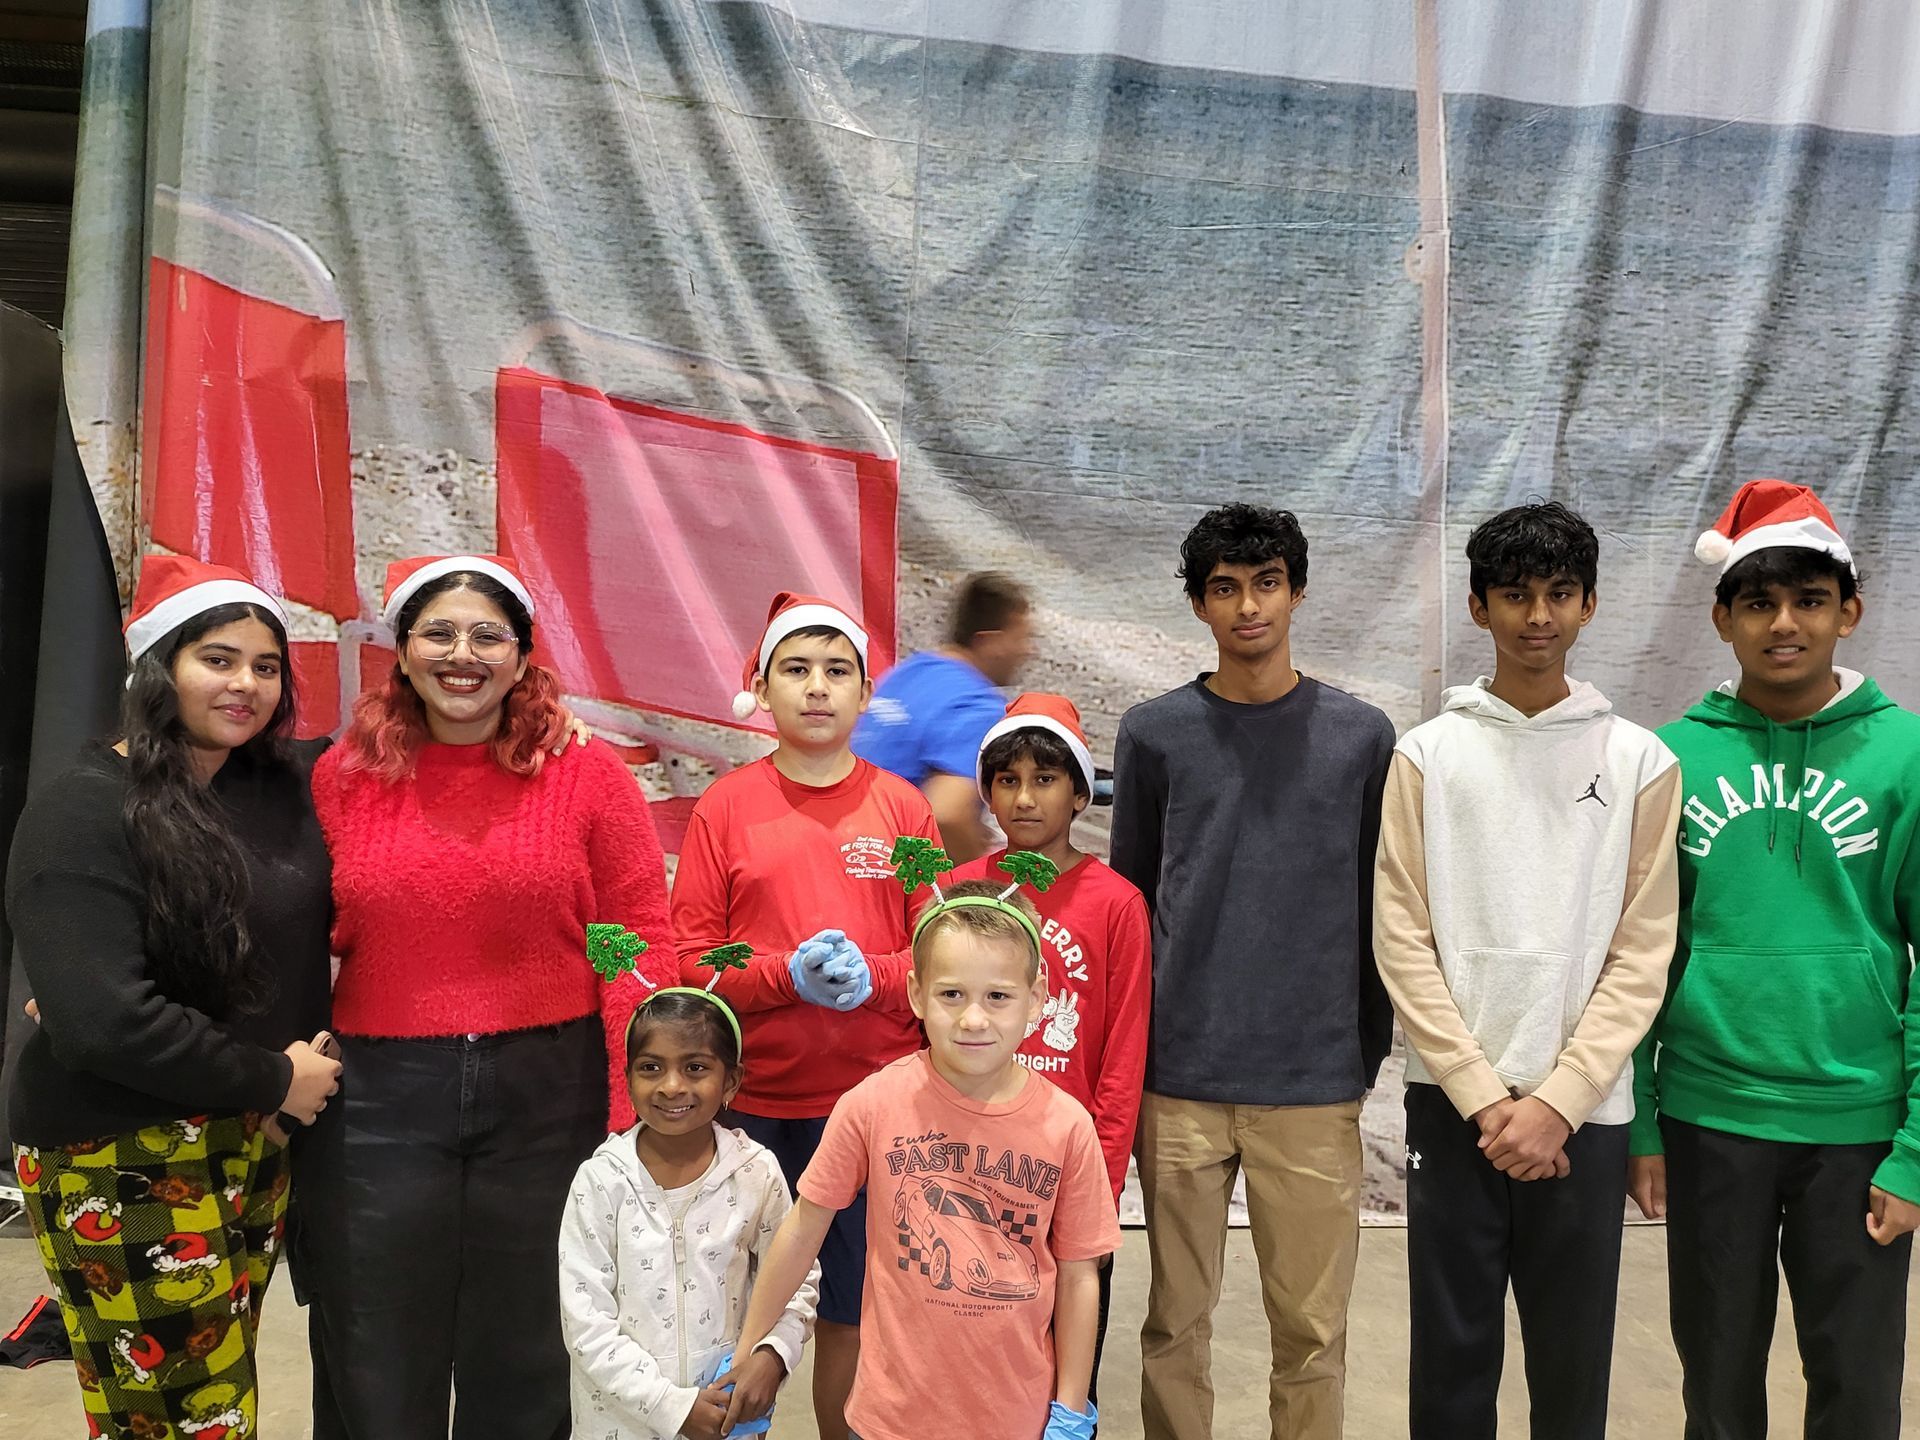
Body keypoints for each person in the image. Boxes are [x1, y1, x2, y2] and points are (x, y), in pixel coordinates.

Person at [304, 554, 670, 1440]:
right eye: (438, 632)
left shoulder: (586, 775)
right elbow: (276, 919)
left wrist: (634, 1104)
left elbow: (638, 942)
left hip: (549, 1094)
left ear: (522, 654)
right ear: (401, 649)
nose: (461, 654)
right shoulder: (341, 778)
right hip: (378, 1103)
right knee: (375, 1351)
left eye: (486, 635)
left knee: (530, 1352)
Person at [7, 556, 342, 1439]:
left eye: (266, 666)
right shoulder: (84, 810)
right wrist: (275, 1079)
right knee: (178, 1420)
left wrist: (546, 718)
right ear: (160, 666)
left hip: (245, 1143)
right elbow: (106, 1022)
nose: (246, 684)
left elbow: (405, 741)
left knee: (207, 1402)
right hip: (117, 1156)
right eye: (218, 659)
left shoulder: (273, 787)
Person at [1373, 501, 1681, 1440]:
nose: (1536, 615)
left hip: (1584, 1116)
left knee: (1573, 1360)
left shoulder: (1640, 761)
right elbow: (1400, 935)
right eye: (1514, 595)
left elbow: (1643, 949)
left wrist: (1561, 1100)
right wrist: (1479, 1091)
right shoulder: (1426, 755)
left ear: (1589, 606)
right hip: (1453, 1102)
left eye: (1558, 594)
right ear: (1479, 608)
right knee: (1452, 1359)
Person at [1628, 480, 1920, 1440]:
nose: (1783, 624)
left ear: (1850, 613)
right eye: (1758, 602)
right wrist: (1641, 1121)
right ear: (1722, 618)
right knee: (1715, 1386)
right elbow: (1638, 955)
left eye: (1808, 600)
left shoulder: (1906, 755)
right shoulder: (1672, 758)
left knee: (1859, 1389)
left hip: (1859, 1126)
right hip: (1712, 1117)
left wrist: (1916, 1150)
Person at [1110, 502, 1395, 1440]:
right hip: (1180, 1078)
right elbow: (1131, 901)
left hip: (1313, 1083)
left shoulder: (1361, 736)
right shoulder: (1156, 735)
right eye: (1224, 588)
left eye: (1265, 583)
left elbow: (1379, 905)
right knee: (1174, 1325)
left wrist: (1358, 1050)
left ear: (1298, 591)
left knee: (1312, 1333)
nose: (1247, 606)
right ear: (1199, 605)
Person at [672, 591, 939, 1438]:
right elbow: (690, 963)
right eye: (797, 670)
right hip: (750, 1112)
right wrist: (785, 974)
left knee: (853, 1310)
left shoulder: (904, 810)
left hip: (874, 1111)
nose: (817, 688)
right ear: (762, 688)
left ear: (866, 694)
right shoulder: (725, 808)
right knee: (737, 1311)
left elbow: (939, 957)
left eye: (836, 671)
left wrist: (879, 977)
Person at [726, 877, 1118, 1440]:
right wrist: (748, 1351)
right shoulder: (872, 1105)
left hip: (1017, 1418)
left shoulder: (1068, 1127)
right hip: (889, 1419)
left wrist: (1071, 1407)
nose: (974, 1019)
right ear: (916, 993)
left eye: (998, 996)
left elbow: (1080, 1276)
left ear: (1037, 998)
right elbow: (801, 1231)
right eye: (951, 994)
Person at [952, 691, 1150, 1409]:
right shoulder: (958, 893)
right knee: (968, 1364)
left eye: (1045, 779)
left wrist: (1098, 1178)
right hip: (967, 1171)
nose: (1026, 798)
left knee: (1065, 1372)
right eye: (1008, 780)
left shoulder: (1116, 903)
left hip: (1067, 1174)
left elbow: (1123, 1056)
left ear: (1078, 792)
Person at [559, 985, 819, 1440]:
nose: (672, 1085)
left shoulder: (756, 1172)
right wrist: (673, 1409)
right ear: (628, 1077)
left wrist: (773, 1356)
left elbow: (797, 1278)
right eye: (651, 1067)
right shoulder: (600, 1182)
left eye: (695, 1067)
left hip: (725, 1417)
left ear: (732, 1081)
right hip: (620, 1425)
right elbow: (585, 1324)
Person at [852, 570, 1035, 861]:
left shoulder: (906, 673)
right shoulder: (977, 705)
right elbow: (947, 816)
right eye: (1022, 639)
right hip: (886, 874)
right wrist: (979, 890)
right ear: (988, 641)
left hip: (844, 847)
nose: (1028, 651)